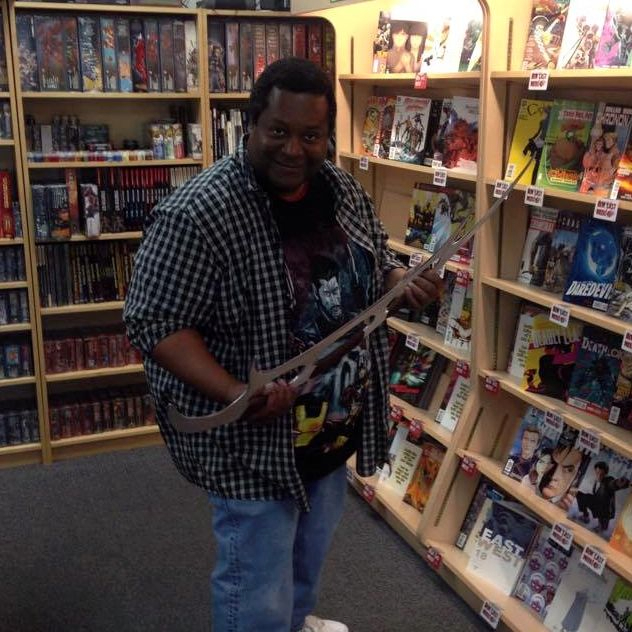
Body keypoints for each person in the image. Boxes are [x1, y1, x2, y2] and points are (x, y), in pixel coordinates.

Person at [124, 57, 442, 632]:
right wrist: (235, 391)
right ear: (250, 125)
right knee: (255, 589)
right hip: (254, 445)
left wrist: (401, 281)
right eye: (278, 131)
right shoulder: (198, 213)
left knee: (303, 571)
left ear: (327, 136)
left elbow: (376, 260)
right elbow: (156, 323)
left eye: (311, 135)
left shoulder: (341, 189)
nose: (294, 150)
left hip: (329, 428)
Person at [574, 461, 630, 533]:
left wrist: (620, 483)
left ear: (606, 474)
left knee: (603, 527)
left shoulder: (608, 480)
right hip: (597, 502)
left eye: (602, 474)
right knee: (580, 495)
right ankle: (585, 516)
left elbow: (613, 484)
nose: (599, 476)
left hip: (605, 510)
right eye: (597, 473)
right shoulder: (598, 481)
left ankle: (601, 527)